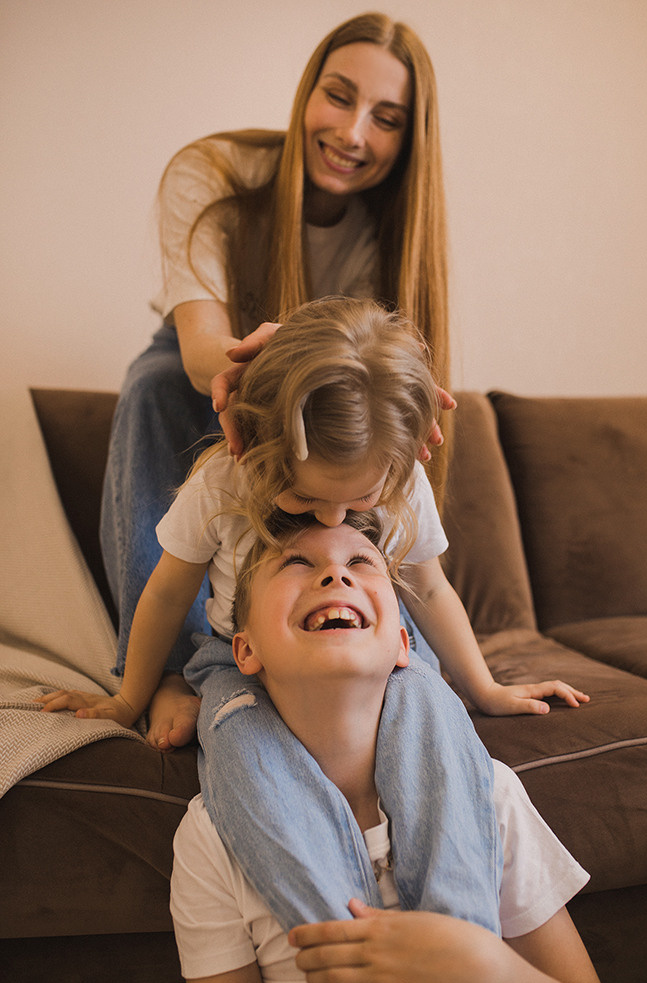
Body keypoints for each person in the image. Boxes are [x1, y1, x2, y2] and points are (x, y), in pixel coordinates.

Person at [39, 297, 588, 934]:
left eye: (359, 499)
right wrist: (132, 694)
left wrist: (485, 688)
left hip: (383, 653)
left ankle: (456, 936)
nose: (332, 519)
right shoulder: (224, 482)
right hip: (235, 660)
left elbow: (432, 591)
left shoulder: (403, 479)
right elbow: (164, 593)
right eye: (304, 496)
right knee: (242, 753)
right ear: (254, 442)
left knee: (439, 727)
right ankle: (337, 938)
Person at [98, 11, 454, 746]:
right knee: (156, 383)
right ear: (305, 93)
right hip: (219, 367)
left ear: (409, 137)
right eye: (339, 96)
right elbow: (202, 354)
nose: (354, 133)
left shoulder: (397, 231)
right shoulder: (216, 174)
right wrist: (258, 363)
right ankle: (171, 665)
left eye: (386, 119)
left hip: (338, 402)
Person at [169, 513, 606, 983]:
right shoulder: (212, 837)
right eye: (296, 562)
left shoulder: (487, 796)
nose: (337, 575)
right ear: (245, 651)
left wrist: (488, 970)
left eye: (360, 560)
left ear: (403, 644)